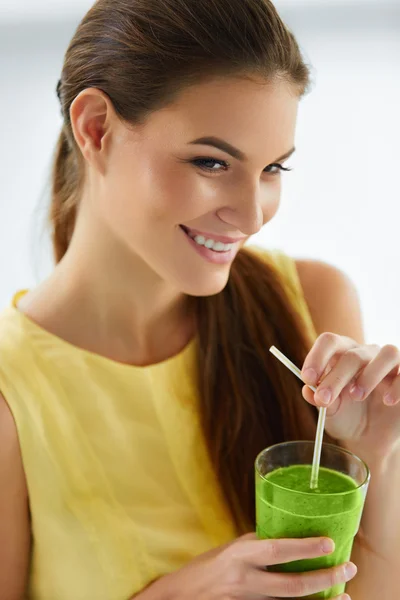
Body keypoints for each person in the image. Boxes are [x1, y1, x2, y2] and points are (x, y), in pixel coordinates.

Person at [0, 0, 399, 598]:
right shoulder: (12, 393)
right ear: (96, 129)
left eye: (272, 168)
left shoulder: (313, 306)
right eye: (211, 161)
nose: (252, 216)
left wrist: (376, 457)